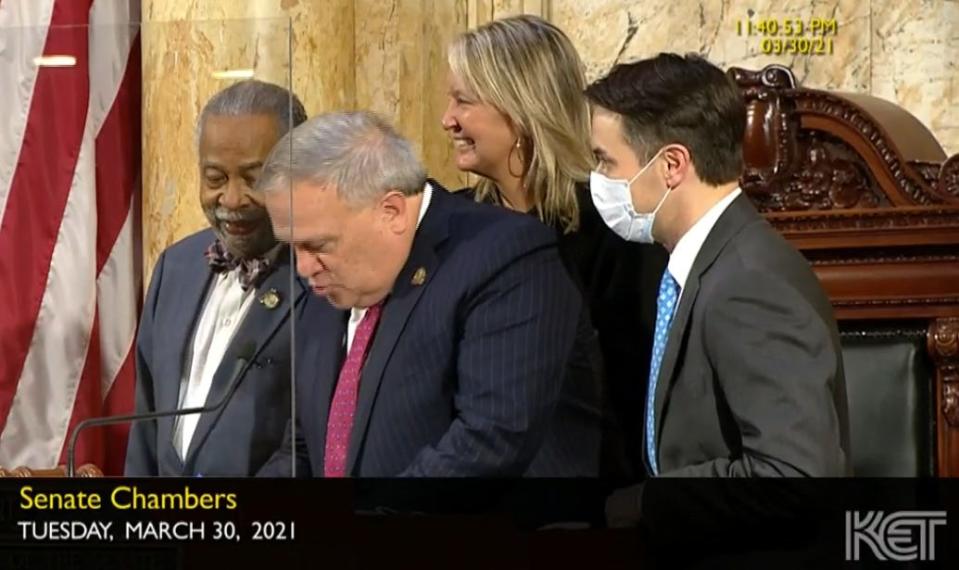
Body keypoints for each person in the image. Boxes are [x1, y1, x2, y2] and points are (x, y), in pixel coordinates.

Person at [586, 54, 851, 526]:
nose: (599, 181)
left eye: (606, 160)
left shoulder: (749, 283)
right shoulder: (702, 263)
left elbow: (794, 475)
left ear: (671, 165)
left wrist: (644, 505)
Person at [256, 111, 592, 477]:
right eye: (293, 248)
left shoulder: (504, 258)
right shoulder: (327, 285)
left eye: (317, 245)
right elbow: (304, 449)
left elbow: (490, 440)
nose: (304, 269)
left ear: (392, 211)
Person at [441, 14, 667, 481]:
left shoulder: (614, 229)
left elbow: (637, 390)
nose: (448, 120)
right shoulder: (451, 226)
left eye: (463, 100)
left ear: (520, 108)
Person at [125, 80, 308, 476]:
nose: (231, 199)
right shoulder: (176, 266)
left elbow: (308, 446)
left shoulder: (321, 277)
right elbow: (146, 426)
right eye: (214, 178)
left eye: (253, 178)